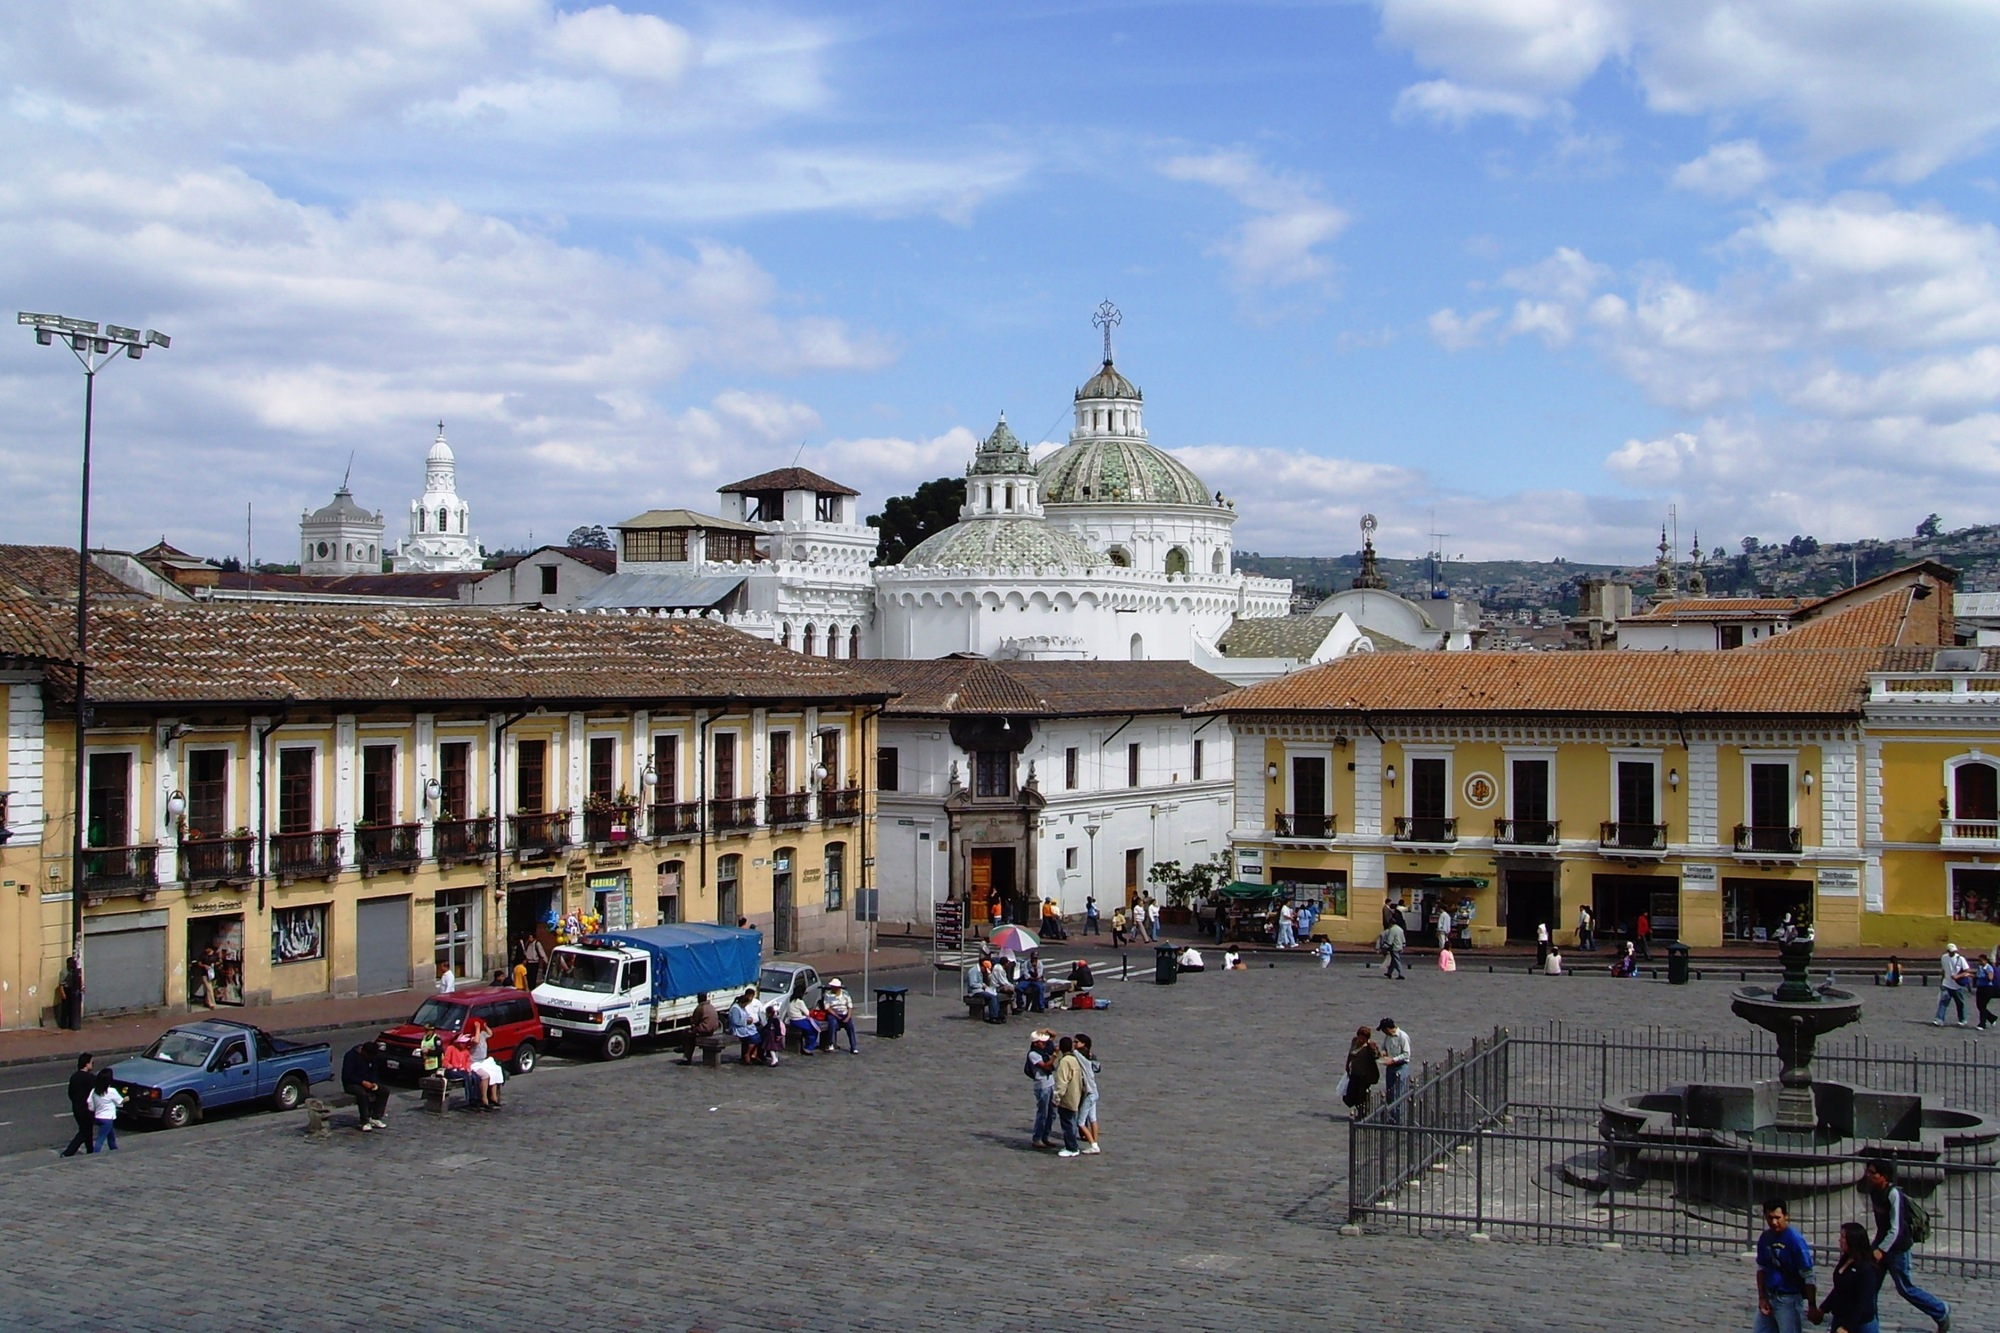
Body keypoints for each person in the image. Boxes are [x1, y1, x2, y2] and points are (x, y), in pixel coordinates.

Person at [1861, 1158, 1951, 1330]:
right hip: (1881, 1245)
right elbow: (1882, 1225)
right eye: (1868, 1171)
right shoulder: (1874, 1191)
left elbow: (1896, 1228)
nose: (1868, 1175)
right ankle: (1870, 1325)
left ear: (1884, 1176)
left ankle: (1940, 1310)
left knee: (1905, 1288)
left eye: (1873, 1173)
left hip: (1898, 1249)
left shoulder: (1893, 1194)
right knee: (1870, 1285)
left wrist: (1881, 1249)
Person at [1754, 1197, 1815, 1333]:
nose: (1774, 1222)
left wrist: (1812, 1305)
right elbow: (1761, 1269)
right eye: (1770, 1218)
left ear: (1786, 1216)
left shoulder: (1795, 1240)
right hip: (1770, 1296)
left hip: (1788, 1300)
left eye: (1777, 1217)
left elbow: (1808, 1274)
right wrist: (1762, 1297)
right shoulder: (1765, 1238)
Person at [1809, 1222, 1879, 1333]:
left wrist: (1847, 1327)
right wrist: (1823, 1309)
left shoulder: (1866, 1268)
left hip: (1859, 1325)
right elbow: (1838, 1289)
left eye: (1843, 1237)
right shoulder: (1845, 1258)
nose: (1839, 1240)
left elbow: (1864, 1301)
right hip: (1839, 1319)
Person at [1052, 1035, 1087, 1158]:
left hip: (1067, 1097)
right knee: (1071, 1122)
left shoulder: (1065, 1062)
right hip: (1076, 1095)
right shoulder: (1075, 1059)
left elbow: (1062, 1082)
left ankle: (1071, 1147)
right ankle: (1071, 1145)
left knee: (1067, 1124)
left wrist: (1056, 1098)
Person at [341, 1040, 387, 1131]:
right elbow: (347, 1075)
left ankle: (375, 1117)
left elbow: (374, 1071)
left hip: (368, 1082)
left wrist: (373, 1082)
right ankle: (364, 1120)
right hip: (352, 1083)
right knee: (362, 1094)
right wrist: (362, 1082)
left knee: (384, 1091)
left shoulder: (372, 1058)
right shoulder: (351, 1056)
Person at [60, 1053, 97, 1157]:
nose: (92, 1064)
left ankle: (90, 1150)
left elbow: (70, 1093)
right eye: (91, 1062)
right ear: (86, 1064)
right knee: (84, 1132)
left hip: (76, 1108)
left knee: (87, 1130)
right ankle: (68, 1152)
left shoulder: (74, 1077)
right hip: (87, 1109)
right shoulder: (90, 1078)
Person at [1025, 1031, 1057, 1149]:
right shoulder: (1033, 1054)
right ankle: (1037, 1138)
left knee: (1052, 1113)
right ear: (1036, 1043)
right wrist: (1054, 1056)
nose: (1045, 1044)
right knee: (1042, 1113)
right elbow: (1045, 1065)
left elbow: (1053, 1037)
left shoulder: (1042, 1050)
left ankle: (1045, 1136)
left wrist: (1047, 1031)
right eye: (1042, 1042)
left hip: (1050, 1083)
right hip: (1042, 1085)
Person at [1342, 1026, 1380, 1119]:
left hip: (1365, 1075)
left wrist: (1374, 1049)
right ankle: (1359, 1109)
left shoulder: (1369, 1046)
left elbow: (1376, 1056)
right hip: (1354, 1073)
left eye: (1364, 1037)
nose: (1361, 1039)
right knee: (1349, 1097)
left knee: (1361, 1096)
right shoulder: (1354, 1041)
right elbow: (1350, 1053)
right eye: (1360, 1036)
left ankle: (1362, 1113)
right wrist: (1347, 1064)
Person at [1377, 1018, 1411, 1119]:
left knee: (1399, 1094)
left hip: (1400, 1067)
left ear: (1387, 1028)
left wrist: (1394, 1060)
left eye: (1383, 1030)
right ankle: (1392, 1117)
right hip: (1390, 1067)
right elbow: (1384, 1048)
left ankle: (1400, 1118)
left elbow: (1406, 1054)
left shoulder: (1402, 1036)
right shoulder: (1387, 1037)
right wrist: (1383, 1053)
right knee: (1390, 1094)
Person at [1074, 1033, 1102, 1153]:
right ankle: (1095, 1143)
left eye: (1076, 1042)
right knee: (1093, 1119)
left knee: (1080, 1122)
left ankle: (1094, 1145)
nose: (1074, 1044)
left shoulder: (1080, 1057)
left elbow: (1074, 1052)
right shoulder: (1091, 1060)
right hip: (1094, 1092)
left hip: (1089, 1094)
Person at [1933, 942, 1971, 1026]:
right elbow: (1944, 970)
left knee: (1960, 1003)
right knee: (1943, 1002)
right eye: (1951, 951)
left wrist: (1958, 976)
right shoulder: (1944, 958)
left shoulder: (1960, 959)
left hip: (1957, 985)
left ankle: (1962, 1019)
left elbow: (1967, 970)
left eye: (1953, 951)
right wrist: (1942, 982)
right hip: (1947, 984)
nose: (1953, 952)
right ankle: (1939, 1019)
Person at [87, 1069, 124, 1153]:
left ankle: (114, 1149)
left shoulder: (94, 1090)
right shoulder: (111, 1091)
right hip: (107, 1118)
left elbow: (90, 1104)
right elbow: (120, 1102)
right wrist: (126, 1099)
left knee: (111, 1136)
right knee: (100, 1139)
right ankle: (95, 1154)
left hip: (98, 1117)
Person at [822, 978, 859, 1054]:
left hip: (844, 1014)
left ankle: (853, 1046)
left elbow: (849, 1006)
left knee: (850, 1027)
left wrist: (848, 1017)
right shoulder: (828, 994)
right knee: (832, 1024)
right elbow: (827, 1007)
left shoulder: (845, 994)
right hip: (833, 1014)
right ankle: (831, 1043)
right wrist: (836, 1015)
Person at [727, 988, 763, 1064]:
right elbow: (736, 1021)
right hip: (737, 1028)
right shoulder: (735, 1009)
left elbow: (746, 1015)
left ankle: (753, 1054)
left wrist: (749, 1018)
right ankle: (747, 1054)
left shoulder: (742, 1008)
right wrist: (746, 1021)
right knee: (753, 1038)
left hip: (744, 1026)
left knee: (758, 1035)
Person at [965, 958, 1005, 1023]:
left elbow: (979, 982)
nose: (985, 971)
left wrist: (984, 985)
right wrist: (982, 985)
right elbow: (972, 984)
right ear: (982, 966)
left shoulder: (979, 971)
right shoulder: (973, 971)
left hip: (980, 989)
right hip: (975, 991)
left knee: (995, 995)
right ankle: (993, 1016)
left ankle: (998, 1013)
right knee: (992, 997)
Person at [1973, 952, 1997, 1030]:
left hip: (1987, 988)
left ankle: (1982, 1024)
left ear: (1985, 960)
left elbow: (1990, 978)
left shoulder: (1988, 967)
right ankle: (1991, 1018)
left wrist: (1985, 972)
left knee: (1983, 1006)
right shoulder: (1979, 967)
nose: (1980, 962)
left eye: (1981, 961)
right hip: (1980, 987)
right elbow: (1978, 976)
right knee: (1979, 1005)